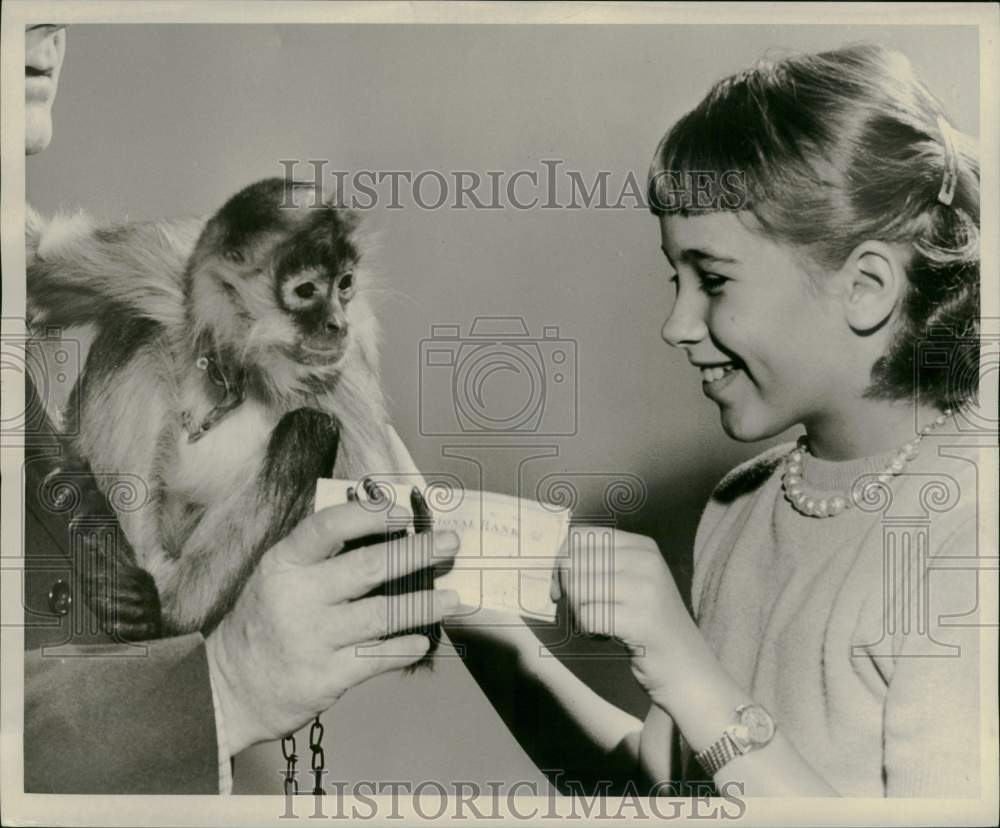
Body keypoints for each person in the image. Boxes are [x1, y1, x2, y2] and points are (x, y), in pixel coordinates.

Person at [446, 43, 986, 797]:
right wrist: (469, 612)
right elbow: (661, 794)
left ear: (865, 288)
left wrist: (679, 657)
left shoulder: (969, 532)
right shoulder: (743, 503)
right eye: (677, 279)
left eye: (713, 279)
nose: (676, 324)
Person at [21, 23, 460, 794]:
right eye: (304, 299)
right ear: (227, 283)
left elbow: (403, 576)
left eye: (343, 294)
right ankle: (135, 577)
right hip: (108, 551)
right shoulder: (173, 269)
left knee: (313, 432)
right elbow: (39, 266)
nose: (332, 326)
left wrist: (406, 578)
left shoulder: (344, 357)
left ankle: (167, 609)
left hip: (205, 595)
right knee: (139, 335)